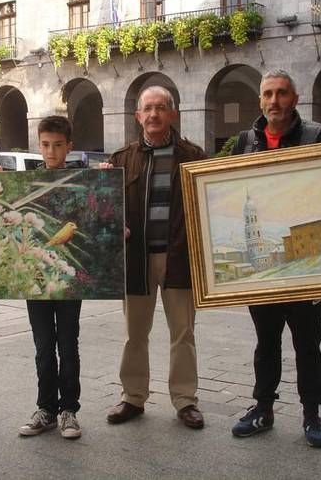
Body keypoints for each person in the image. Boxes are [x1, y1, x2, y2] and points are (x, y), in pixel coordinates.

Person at [229, 70, 321, 448]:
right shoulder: (245, 141)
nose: (275, 101)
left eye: (282, 93)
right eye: (268, 94)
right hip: (264, 280)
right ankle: (263, 408)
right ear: (260, 101)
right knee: (266, 341)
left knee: (308, 343)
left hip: (308, 277)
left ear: (295, 97)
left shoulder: (318, 136)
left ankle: (311, 414)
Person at [103, 86, 207, 429]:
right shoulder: (121, 159)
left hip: (178, 257)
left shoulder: (193, 156)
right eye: (147, 108)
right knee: (135, 333)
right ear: (137, 116)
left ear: (172, 114)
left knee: (183, 333)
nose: (154, 115)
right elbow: (107, 211)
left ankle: (185, 400)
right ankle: (132, 397)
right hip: (137, 260)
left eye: (161, 108)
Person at [18, 115, 86, 440]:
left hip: (69, 280)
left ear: (69, 146)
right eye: (46, 145)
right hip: (36, 277)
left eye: (58, 145)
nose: (51, 151)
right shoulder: (27, 182)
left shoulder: (80, 181)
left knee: (68, 343)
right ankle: (45, 407)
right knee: (43, 345)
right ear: (39, 144)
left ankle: (69, 409)